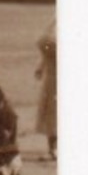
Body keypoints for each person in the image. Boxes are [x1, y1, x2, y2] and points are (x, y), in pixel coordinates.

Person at [36, 18, 56, 160]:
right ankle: (53, 148)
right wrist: (41, 66)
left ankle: (54, 149)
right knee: (52, 112)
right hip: (52, 78)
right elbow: (46, 45)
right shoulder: (56, 22)